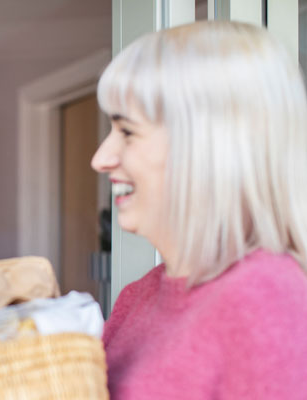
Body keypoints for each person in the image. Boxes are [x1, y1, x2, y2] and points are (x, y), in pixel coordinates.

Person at [91, 20, 307, 398]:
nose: (101, 158)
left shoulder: (266, 298)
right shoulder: (138, 297)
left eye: (127, 132)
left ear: (207, 147)